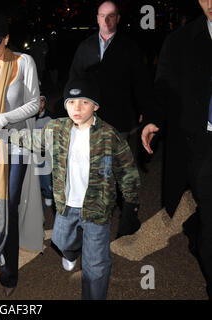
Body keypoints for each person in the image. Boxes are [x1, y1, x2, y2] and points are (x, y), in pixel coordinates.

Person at [14, 77, 140, 299]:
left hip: (96, 209)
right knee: (59, 240)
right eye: (71, 102)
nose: (77, 108)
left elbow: (127, 170)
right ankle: (71, 251)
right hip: (66, 205)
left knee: (96, 264)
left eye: (84, 102)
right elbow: (33, 139)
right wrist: (1, 131)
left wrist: (131, 204)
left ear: (96, 106)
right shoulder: (57, 128)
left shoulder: (109, 135)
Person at [141, 0, 212, 299]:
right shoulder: (180, 41)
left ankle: (195, 228)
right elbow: (164, 86)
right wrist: (154, 118)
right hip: (202, 142)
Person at [64, 0, 152, 237]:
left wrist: (146, 111)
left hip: (119, 120)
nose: (106, 20)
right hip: (91, 121)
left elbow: (140, 83)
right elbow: (74, 80)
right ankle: (91, 217)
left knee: (121, 170)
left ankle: (128, 218)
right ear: (97, 18)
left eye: (111, 16)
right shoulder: (85, 47)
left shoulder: (129, 48)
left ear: (118, 19)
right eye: (102, 15)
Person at [0, 13, 44, 297]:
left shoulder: (25, 62)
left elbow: (34, 104)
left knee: (9, 205)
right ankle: (3, 251)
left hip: (18, 143)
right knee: (2, 205)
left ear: (6, 38)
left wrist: (2, 119)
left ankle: (8, 272)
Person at [35, 94, 54, 207]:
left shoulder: (51, 117)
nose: (40, 104)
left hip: (46, 154)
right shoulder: (30, 119)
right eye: (38, 101)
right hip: (33, 154)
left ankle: (48, 194)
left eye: (42, 101)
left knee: (46, 178)